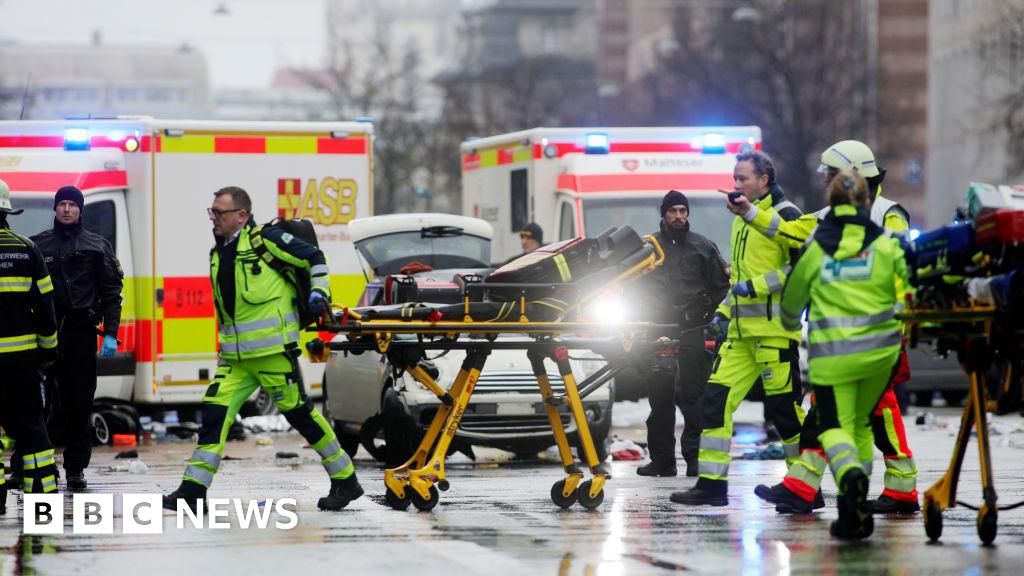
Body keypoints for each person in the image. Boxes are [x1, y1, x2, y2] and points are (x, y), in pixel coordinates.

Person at [734, 141, 919, 515]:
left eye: (831, 175)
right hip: (840, 340)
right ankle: (803, 487)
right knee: (829, 412)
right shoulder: (826, 217)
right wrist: (750, 211)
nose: (826, 181)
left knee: (877, 413)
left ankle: (895, 489)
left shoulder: (888, 215)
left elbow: (902, 266)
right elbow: (787, 230)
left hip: (873, 337)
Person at [163, 186, 362, 512]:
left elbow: (314, 257)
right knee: (214, 413)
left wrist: (320, 291)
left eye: (219, 212)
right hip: (236, 361)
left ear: (241, 215)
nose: (213, 218)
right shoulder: (220, 252)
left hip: (272, 355)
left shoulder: (264, 241)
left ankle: (346, 480)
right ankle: (193, 491)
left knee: (302, 416)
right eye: (211, 211)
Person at [670, 151, 807, 506]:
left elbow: (799, 270)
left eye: (743, 178)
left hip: (775, 333)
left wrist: (755, 287)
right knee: (714, 403)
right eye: (734, 178)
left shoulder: (786, 214)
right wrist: (723, 310)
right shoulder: (740, 219)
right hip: (741, 335)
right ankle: (712, 485)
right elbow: (740, 281)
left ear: (764, 180)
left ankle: (804, 487)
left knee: (786, 414)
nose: (736, 185)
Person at [779, 169, 907, 539]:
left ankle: (850, 478)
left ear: (831, 204)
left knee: (834, 427)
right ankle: (856, 512)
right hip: (880, 356)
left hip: (834, 357)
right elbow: (907, 291)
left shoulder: (818, 248)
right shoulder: (886, 244)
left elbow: (790, 305)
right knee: (862, 427)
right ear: (867, 202)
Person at [29, 185, 122, 492]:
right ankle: (31, 466)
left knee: (79, 403)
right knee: (37, 404)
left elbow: (111, 293)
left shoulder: (97, 246)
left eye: (72, 204)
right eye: (62, 204)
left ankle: (75, 469)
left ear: (81, 210)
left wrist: (110, 333)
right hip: (45, 334)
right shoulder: (38, 245)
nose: (67, 209)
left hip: (81, 334)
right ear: (55, 209)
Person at [635, 190, 730, 477]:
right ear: (663, 214)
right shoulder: (647, 249)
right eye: (673, 211)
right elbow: (630, 287)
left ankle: (695, 460)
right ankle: (662, 461)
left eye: (682, 211)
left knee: (693, 396)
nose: (678, 216)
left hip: (692, 329)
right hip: (656, 329)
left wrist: (712, 319)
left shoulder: (703, 247)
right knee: (660, 399)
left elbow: (720, 289)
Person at [0, 179, 61, 508]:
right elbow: (46, 305)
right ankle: (42, 490)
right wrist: (49, 350)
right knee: (32, 424)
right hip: (23, 361)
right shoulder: (27, 249)